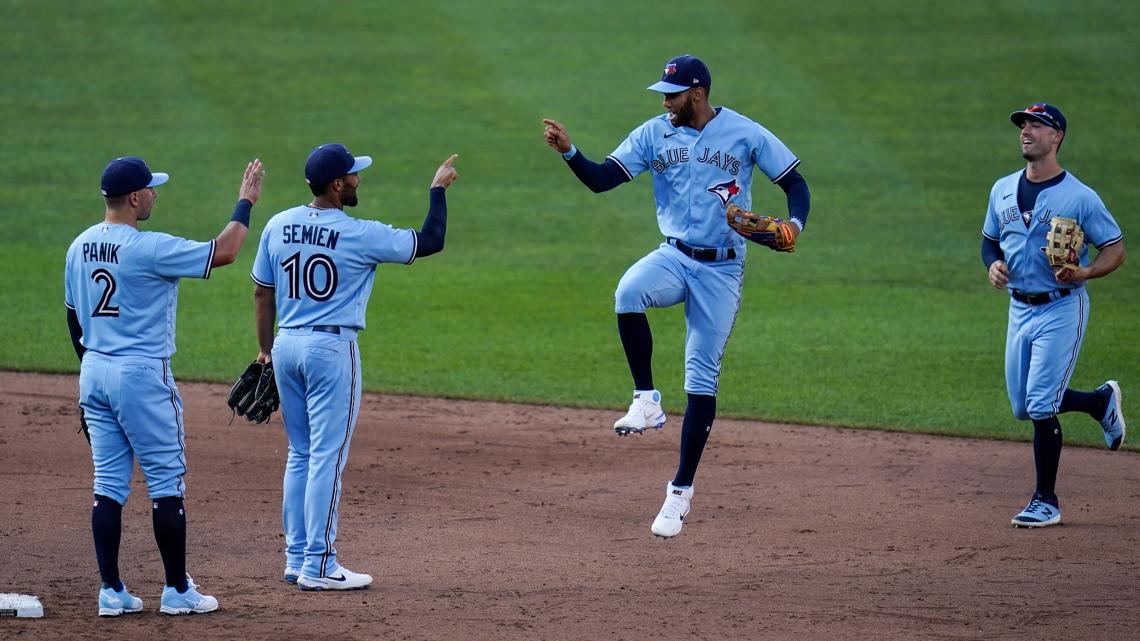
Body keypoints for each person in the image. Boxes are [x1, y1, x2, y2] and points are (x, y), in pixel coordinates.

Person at [542, 55, 811, 538]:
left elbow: (794, 182)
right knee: (628, 291)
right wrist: (569, 151)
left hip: (722, 270)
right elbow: (604, 180)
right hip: (674, 256)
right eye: (664, 94)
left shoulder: (745, 133)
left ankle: (680, 493)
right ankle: (646, 398)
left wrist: (794, 224)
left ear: (699, 94)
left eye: (673, 94)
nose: (665, 102)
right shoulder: (653, 133)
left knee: (701, 379)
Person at [251, 144, 458, 590]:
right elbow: (431, 241)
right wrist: (437, 190)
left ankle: (296, 558)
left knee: (300, 454)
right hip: (330, 350)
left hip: (286, 344)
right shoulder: (359, 233)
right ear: (337, 184)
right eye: (353, 175)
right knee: (327, 456)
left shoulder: (278, 224)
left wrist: (265, 350)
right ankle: (320, 565)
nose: (359, 180)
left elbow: (262, 293)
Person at [65, 155, 264, 615]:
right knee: (166, 482)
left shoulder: (78, 246)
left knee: (108, 485)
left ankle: (111, 592)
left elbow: (73, 317)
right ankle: (177, 591)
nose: (155, 194)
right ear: (134, 197)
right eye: (151, 189)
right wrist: (245, 201)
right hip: (141, 376)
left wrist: (92, 371)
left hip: (94, 370)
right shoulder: (148, 247)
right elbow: (225, 251)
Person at [981, 103, 1126, 528]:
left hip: (1063, 306)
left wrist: (1086, 271)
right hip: (1018, 308)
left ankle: (1046, 500)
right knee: (1023, 406)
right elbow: (989, 241)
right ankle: (1099, 402)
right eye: (1023, 125)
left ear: (1056, 136)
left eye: (1036, 125)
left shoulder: (1080, 197)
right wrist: (991, 264)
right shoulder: (1002, 189)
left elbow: (1115, 249)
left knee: (1042, 402)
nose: (1026, 131)